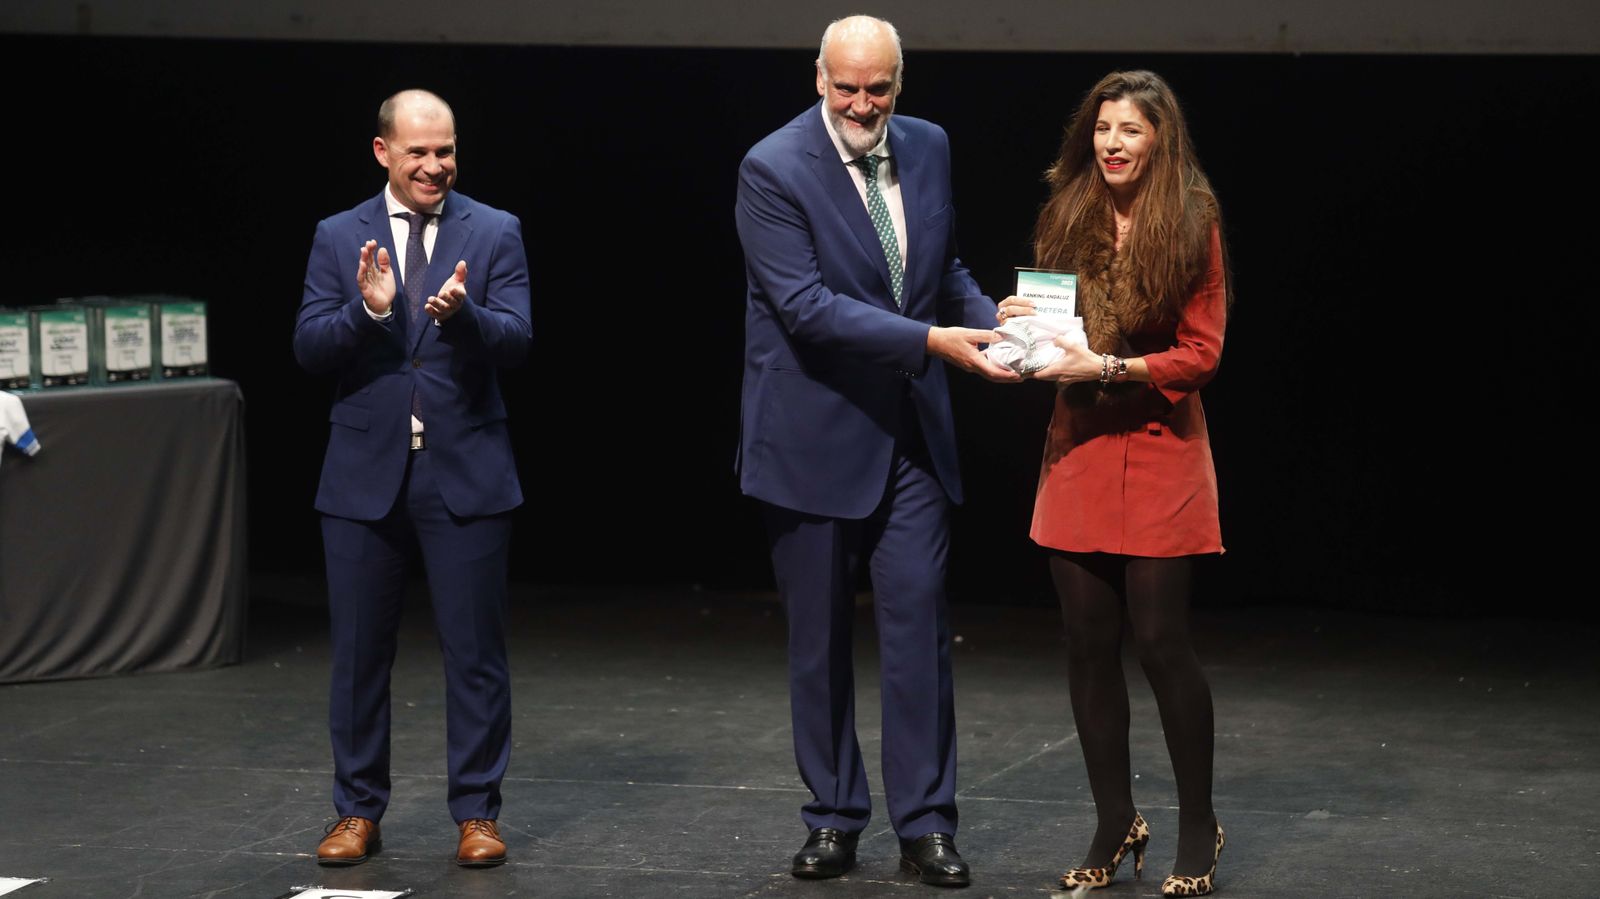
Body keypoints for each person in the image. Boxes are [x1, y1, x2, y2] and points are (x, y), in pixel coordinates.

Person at [735, 14, 1020, 888]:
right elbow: (807, 306)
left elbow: (941, 269)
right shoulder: (773, 167)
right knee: (819, 643)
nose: (863, 103)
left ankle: (926, 823)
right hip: (813, 434)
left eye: (879, 87)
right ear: (818, 77)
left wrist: (992, 318)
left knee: (920, 629)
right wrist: (935, 339)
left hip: (911, 439)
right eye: (847, 86)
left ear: (902, 82)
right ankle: (832, 818)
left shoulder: (927, 146)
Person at [996, 70, 1231, 896]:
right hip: (1081, 447)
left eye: (1129, 130)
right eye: (1103, 129)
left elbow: (1202, 354)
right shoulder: (1069, 212)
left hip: (1161, 444)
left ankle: (1198, 822)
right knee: (1088, 643)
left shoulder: (1193, 220)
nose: (1112, 144)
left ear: (1159, 139)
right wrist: (1022, 328)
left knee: (1162, 641)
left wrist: (1110, 362)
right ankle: (1114, 816)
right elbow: (1057, 324)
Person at [293, 89, 532, 868]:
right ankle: (357, 809)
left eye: (447, 150)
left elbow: (518, 340)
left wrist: (465, 316)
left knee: (475, 652)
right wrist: (365, 314)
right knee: (360, 653)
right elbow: (308, 346)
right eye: (420, 152)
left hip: (465, 468)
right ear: (383, 152)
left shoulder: (494, 230)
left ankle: (477, 812)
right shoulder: (339, 236)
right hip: (365, 472)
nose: (436, 165)